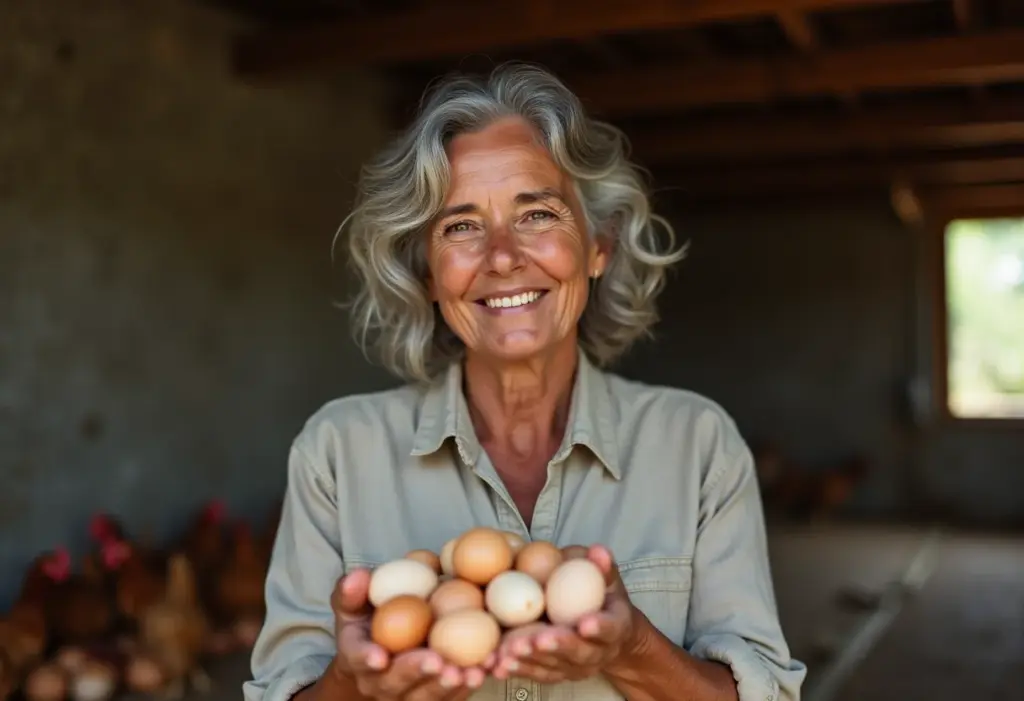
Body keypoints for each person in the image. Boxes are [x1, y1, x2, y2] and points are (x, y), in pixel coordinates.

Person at [242, 63, 806, 701]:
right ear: (428, 274)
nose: (504, 256)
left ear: (599, 247)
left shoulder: (697, 445)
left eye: (537, 214)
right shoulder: (338, 453)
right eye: (461, 226)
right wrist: (352, 683)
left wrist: (632, 649)